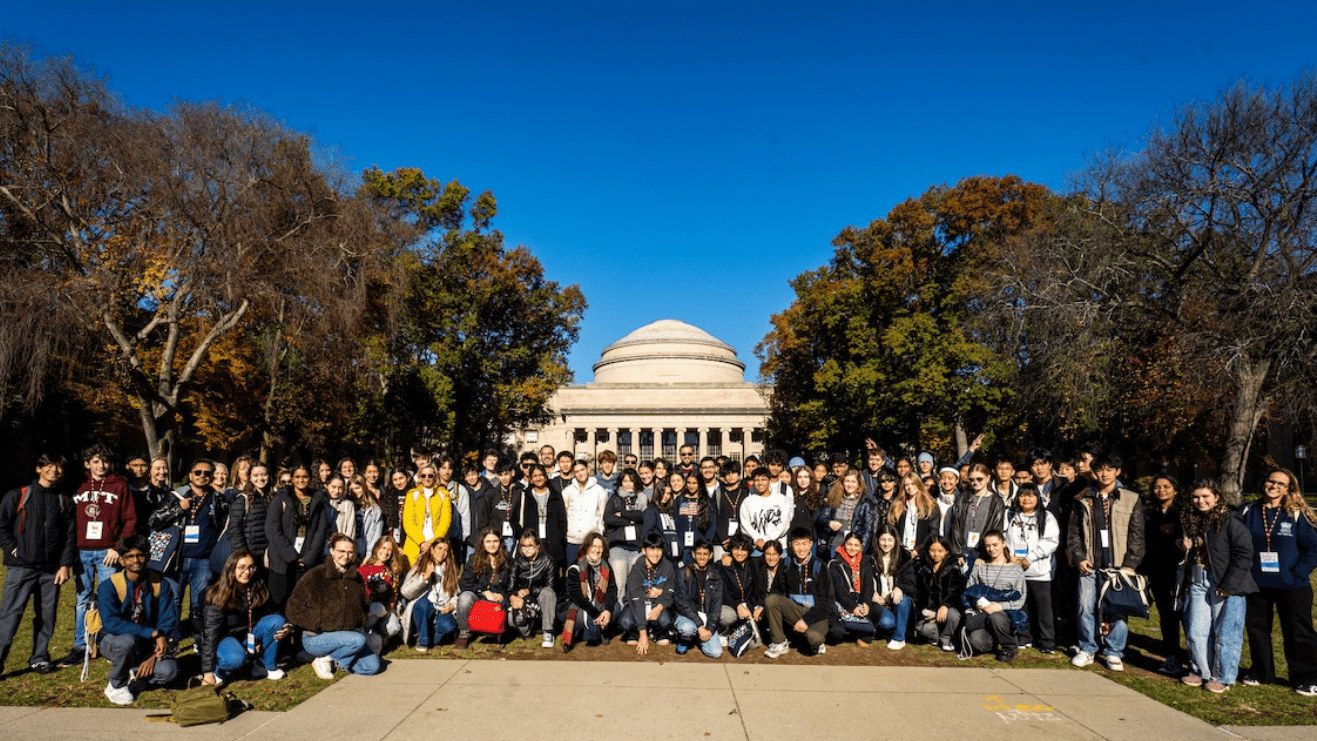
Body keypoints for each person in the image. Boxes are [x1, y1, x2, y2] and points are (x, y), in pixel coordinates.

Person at [1237, 468, 1317, 695]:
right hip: (1256, 583)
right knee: (1257, 629)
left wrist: (1296, 574)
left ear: (1289, 489)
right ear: (1263, 483)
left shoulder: (1295, 513)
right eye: (1271, 481)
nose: (1275, 486)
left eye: (1281, 484)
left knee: (1298, 631)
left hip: (1292, 585)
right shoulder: (1248, 510)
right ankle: (1262, 672)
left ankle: (1307, 677)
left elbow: (1313, 548)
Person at [1177, 480, 1257, 693]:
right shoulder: (1191, 520)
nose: (1200, 501)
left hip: (1225, 582)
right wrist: (1182, 546)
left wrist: (1229, 585)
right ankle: (1199, 670)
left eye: (1205, 496)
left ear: (1217, 497)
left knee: (1226, 633)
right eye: (1196, 496)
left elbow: (1244, 554)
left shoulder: (1230, 521)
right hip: (1197, 580)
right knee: (1196, 630)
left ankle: (1223, 676)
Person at [1067, 453, 1145, 672]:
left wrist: (1131, 563)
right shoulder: (1083, 497)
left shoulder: (1131, 497)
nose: (1104, 473)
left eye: (1110, 469)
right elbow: (1073, 533)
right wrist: (1079, 557)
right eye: (1100, 469)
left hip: (1119, 565)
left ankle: (1114, 652)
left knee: (1118, 609)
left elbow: (1137, 535)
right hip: (1090, 564)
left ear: (1117, 472)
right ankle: (1087, 648)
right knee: (1085, 607)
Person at [63, 444, 138, 668]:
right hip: (81, 551)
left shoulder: (120, 485)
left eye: (105, 461)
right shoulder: (77, 485)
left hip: (108, 552)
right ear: (87, 464)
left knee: (109, 598)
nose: (101, 465)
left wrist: (117, 547)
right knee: (82, 598)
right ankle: (81, 645)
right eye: (95, 461)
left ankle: (107, 642)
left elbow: (130, 519)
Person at [0, 453, 75, 675]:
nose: (54, 471)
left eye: (59, 467)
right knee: (10, 615)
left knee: (47, 615)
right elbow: (1, 525)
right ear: (38, 469)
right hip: (21, 567)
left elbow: (69, 536)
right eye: (49, 466)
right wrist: (14, 549)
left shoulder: (64, 500)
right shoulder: (19, 495)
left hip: (51, 570)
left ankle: (40, 657)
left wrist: (64, 565)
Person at [149, 458, 229, 655]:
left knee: (199, 603)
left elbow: (222, 526)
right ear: (190, 475)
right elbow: (154, 520)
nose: (203, 476)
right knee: (173, 601)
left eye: (207, 473)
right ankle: (172, 638)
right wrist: (179, 509)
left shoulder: (217, 499)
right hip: (177, 560)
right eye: (198, 472)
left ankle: (199, 639)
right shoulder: (176, 496)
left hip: (203, 560)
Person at [96, 535, 179, 705]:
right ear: (121, 560)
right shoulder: (108, 586)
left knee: (169, 672)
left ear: (148, 556)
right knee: (127, 641)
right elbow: (112, 623)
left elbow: (168, 619)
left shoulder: (159, 583)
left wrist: (153, 654)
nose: (136, 560)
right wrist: (152, 633)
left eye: (140, 555)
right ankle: (116, 685)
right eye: (129, 556)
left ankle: (134, 672)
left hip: (147, 644)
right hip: (114, 640)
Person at [285, 533, 381, 678]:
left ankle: (333, 660)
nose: (346, 556)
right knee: (358, 640)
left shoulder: (356, 578)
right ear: (332, 551)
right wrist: (317, 621)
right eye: (341, 551)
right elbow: (293, 608)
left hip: (349, 637)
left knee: (372, 667)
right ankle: (323, 659)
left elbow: (364, 604)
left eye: (350, 552)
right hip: (318, 637)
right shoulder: (316, 575)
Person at [201, 550, 288, 685]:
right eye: (241, 567)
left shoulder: (257, 586)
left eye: (250, 567)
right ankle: (220, 671)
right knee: (235, 659)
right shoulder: (218, 596)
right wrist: (207, 671)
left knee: (277, 621)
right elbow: (210, 635)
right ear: (231, 569)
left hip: (249, 633)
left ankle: (267, 665)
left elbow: (271, 612)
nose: (247, 572)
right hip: (226, 638)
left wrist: (287, 628)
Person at [265, 465, 331, 608]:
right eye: (298, 477)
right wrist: (291, 556)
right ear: (292, 479)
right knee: (280, 601)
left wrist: (308, 558)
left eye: (305, 477)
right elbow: (273, 530)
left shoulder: (318, 500)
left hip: (307, 558)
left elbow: (320, 531)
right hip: (282, 559)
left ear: (311, 479)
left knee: (303, 601)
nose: (301, 480)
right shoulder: (280, 499)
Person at [1004, 484, 1059, 653]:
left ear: (1038, 498)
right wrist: (1007, 555)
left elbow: (1051, 541)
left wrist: (1030, 558)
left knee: (1043, 609)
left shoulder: (1047, 517)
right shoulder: (1010, 515)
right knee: (1021, 606)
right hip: (1016, 571)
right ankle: (1024, 636)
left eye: (1031, 495)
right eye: (1022, 495)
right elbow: (1002, 537)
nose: (1026, 499)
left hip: (1040, 572)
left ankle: (1047, 642)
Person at [762, 528, 833, 658]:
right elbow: (776, 590)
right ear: (790, 545)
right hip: (795, 610)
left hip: (816, 613)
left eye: (805, 544)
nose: (801, 548)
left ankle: (817, 640)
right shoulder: (785, 563)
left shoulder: (819, 566)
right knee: (771, 599)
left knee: (814, 638)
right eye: (797, 544)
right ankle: (779, 642)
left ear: (811, 544)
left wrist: (807, 620)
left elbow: (827, 602)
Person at [1141, 473, 1186, 674]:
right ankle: (1172, 656)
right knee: (1166, 617)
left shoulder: (1184, 513)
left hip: (1181, 572)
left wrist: (1176, 529)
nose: (1162, 490)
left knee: (1187, 616)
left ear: (1175, 490)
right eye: (1157, 487)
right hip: (1158, 572)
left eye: (1166, 486)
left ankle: (1195, 659)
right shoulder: (1149, 513)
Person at [962, 530, 1026, 662]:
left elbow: (1021, 599)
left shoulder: (1015, 569)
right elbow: (970, 590)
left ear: (1003, 544)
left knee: (996, 618)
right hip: (982, 611)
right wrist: (976, 603)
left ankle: (1009, 647)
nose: (991, 549)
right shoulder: (979, 566)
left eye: (995, 544)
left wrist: (999, 606)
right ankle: (993, 642)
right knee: (977, 641)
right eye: (988, 545)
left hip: (1004, 613)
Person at [619, 534, 677, 652]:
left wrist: (660, 607)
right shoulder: (636, 569)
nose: (656, 553)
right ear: (644, 551)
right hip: (637, 605)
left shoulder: (668, 566)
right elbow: (636, 599)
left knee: (665, 621)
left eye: (659, 549)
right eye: (651, 549)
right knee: (625, 622)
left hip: (657, 604)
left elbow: (669, 592)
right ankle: (634, 633)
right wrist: (642, 634)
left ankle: (658, 632)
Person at [455, 528, 510, 649]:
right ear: (483, 543)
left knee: (502, 608)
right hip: (480, 594)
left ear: (500, 542)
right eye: (488, 541)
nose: (492, 545)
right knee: (465, 597)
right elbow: (465, 583)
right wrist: (484, 592)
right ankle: (464, 634)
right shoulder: (474, 559)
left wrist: (502, 594)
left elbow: (512, 584)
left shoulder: (508, 560)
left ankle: (497, 632)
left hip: (499, 596)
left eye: (495, 541)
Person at [400, 537, 459, 651]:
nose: (442, 553)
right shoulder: (420, 565)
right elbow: (405, 592)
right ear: (432, 549)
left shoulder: (450, 569)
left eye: (446, 550)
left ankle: (428, 636)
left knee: (448, 626)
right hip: (424, 608)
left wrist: (452, 606)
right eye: (439, 548)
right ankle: (423, 641)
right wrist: (424, 578)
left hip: (441, 609)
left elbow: (456, 594)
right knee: (423, 605)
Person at [561, 532, 616, 650]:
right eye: (593, 546)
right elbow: (576, 597)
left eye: (600, 547)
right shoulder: (575, 568)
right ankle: (587, 631)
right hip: (574, 606)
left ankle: (595, 628)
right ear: (586, 547)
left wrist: (607, 611)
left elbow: (612, 590)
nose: (597, 550)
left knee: (617, 610)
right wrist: (596, 614)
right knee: (584, 616)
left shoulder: (606, 567)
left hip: (597, 605)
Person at [949, 463, 1006, 571]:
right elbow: (955, 525)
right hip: (964, 550)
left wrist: (984, 555)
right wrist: (957, 553)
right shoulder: (962, 498)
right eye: (972, 479)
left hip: (984, 551)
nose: (975, 482)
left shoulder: (996, 501)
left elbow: (996, 528)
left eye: (979, 479)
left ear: (988, 478)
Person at [912, 536, 966, 651]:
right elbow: (919, 592)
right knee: (921, 628)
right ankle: (936, 637)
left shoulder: (953, 567)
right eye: (932, 550)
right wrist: (925, 611)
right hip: (930, 612)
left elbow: (956, 590)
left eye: (940, 551)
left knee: (954, 616)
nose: (936, 554)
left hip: (947, 609)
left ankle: (946, 637)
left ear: (946, 551)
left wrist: (945, 605)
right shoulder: (921, 567)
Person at [673, 539, 724, 657]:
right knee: (687, 628)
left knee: (716, 652)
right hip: (688, 615)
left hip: (706, 615)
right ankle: (685, 638)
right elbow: (681, 603)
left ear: (711, 555)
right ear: (693, 554)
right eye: (699, 554)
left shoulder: (715, 575)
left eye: (705, 554)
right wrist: (699, 625)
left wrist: (710, 629)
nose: (702, 557)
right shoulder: (683, 572)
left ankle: (697, 637)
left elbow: (716, 605)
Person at [508, 530, 557, 648]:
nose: (527, 549)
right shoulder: (516, 562)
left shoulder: (547, 561)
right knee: (512, 620)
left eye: (530, 546)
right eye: (523, 546)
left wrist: (531, 590)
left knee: (548, 593)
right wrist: (514, 595)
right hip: (524, 598)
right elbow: (510, 587)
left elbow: (551, 585)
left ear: (538, 546)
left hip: (540, 596)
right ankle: (527, 631)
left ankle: (548, 631)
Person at [869, 525, 915, 650]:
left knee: (903, 599)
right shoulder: (870, 558)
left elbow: (911, 585)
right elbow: (865, 581)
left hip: (896, 602)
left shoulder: (904, 558)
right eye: (883, 540)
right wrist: (871, 593)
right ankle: (886, 629)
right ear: (877, 540)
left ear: (895, 540)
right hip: (879, 602)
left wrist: (899, 588)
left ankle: (899, 638)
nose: (886, 544)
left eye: (890, 540)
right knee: (887, 623)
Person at [827, 531, 876, 647]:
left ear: (861, 547)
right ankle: (856, 633)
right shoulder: (835, 563)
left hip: (861, 599)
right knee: (836, 634)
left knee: (878, 612)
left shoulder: (866, 561)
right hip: (843, 602)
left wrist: (865, 604)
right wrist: (853, 607)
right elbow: (839, 591)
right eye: (849, 544)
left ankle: (860, 631)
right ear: (844, 544)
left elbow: (869, 586)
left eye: (856, 545)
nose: (852, 548)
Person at [604, 469, 648, 592]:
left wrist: (622, 514)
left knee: (637, 584)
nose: (628, 484)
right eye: (625, 480)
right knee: (619, 584)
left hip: (636, 546)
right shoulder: (615, 498)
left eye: (631, 481)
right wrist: (630, 521)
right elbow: (608, 518)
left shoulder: (642, 498)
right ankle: (619, 610)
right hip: (618, 545)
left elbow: (644, 516)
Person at [358, 535, 406, 649]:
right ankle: (366, 634)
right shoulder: (365, 568)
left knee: (394, 627)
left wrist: (390, 608)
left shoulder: (392, 571)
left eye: (389, 550)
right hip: (367, 611)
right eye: (383, 548)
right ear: (376, 548)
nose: (386, 552)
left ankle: (377, 635)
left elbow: (393, 595)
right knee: (375, 607)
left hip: (384, 612)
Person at [517, 464, 568, 566]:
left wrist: (559, 536)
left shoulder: (556, 495)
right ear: (531, 479)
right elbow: (516, 518)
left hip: (553, 541)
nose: (538, 478)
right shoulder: (525, 495)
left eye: (540, 475)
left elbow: (562, 518)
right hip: (532, 541)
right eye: (535, 476)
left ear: (545, 476)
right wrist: (523, 535)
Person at [402, 463, 451, 564]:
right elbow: (408, 523)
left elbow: (445, 521)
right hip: (415, 544)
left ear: (435, 476)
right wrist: (422, 542)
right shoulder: (412, 494)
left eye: (430, 475)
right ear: (419, 477)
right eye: (423, 475)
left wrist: (433, 543)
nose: (427, 478)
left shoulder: (443, 494)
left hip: (437, 544)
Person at [819, 469, 877, 554]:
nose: (850, 485)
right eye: (847, 481)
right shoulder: (834, 497)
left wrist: (861, 549)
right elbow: (821, 518)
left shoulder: (864, 502)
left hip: (854, 546)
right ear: (842, 483)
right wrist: (829, 523)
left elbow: (868, 529)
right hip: (835, 543)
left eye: (853, 482)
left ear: (858, 484)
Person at [228, 462, 274, 565]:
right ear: (250, 478)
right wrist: (243, 555)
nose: (260, 478)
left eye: (264, 474)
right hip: (250, 554)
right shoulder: (243, 499)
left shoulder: (272, 498)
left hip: (269, 555)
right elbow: (234, 530)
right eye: (256, 475)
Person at [718, 533, 762, 638]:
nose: (739, 553)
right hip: (730, 606)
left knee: (753, 644)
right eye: (736, 549)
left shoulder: (752, 564)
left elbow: (756, 590)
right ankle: (723, 631)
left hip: (746, 607)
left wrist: (757, 606)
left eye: (743, 550)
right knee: (729, 616)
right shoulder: (723, 565)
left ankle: (735, 633)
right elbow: (723, 593)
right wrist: (738, 605)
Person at [740, 468, 791, 554]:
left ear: (770, 481)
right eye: (756, 480)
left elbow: (784, 524)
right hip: (755, 548)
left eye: (763, 480)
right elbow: (745, 524)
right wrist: (756, 539)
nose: (760, 483)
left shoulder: (781, 500)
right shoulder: (748, 501)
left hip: (777, 548)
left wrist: (767, 540)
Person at [889, 473, 940, 557]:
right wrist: (901, 547)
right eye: (906, 485)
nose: (910, 487)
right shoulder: (898, 505)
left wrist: (918, 549)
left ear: (918, 484)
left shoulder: (930, 506)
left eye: (913, 484)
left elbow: (933, 532)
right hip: (901, 552)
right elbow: (892, 529)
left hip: (922, 553)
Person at [352, 474, 385, 559]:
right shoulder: (348, 506)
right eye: (352, 489)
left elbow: (376, 534)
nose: (355, 492)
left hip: (366, 551)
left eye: (357, 488)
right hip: (350, 551)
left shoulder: (374, 509)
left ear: (364, 487)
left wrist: (369, 555)